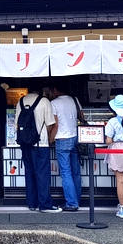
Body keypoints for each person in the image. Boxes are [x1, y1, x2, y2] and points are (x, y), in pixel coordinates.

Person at [16, 82, 61, 213]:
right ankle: (45, 205)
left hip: (25, 144)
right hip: (40, 144)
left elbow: (17, 124)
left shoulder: (20, 101)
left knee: (29, 173)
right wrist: (46, 136)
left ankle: (32, 203)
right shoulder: (44, 101)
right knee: (42, 174)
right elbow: (50, 123)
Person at [48, 81, 82, 211]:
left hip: (62, 139)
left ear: (56, 90)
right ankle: (76, 200)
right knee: (75, 172)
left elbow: (55, 125)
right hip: (75, 137)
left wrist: (51, 139)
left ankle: (72, 203)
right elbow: (82, 116)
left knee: (66, 172)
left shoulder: (54, 103)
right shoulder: (74, 99)